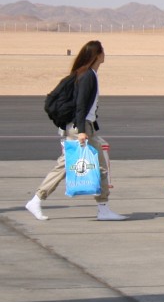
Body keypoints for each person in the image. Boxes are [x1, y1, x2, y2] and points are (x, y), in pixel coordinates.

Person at [25, 40, 126, 221]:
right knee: (99, 167)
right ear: (97, 55)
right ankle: (102, 208)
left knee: (66, 165)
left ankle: (38, 199)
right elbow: (80, 105)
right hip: (80, 127)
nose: (105, 55)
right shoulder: (88, 76)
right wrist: (81, 130)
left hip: (83, 127)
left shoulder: (86, 74)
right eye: (103, 52)